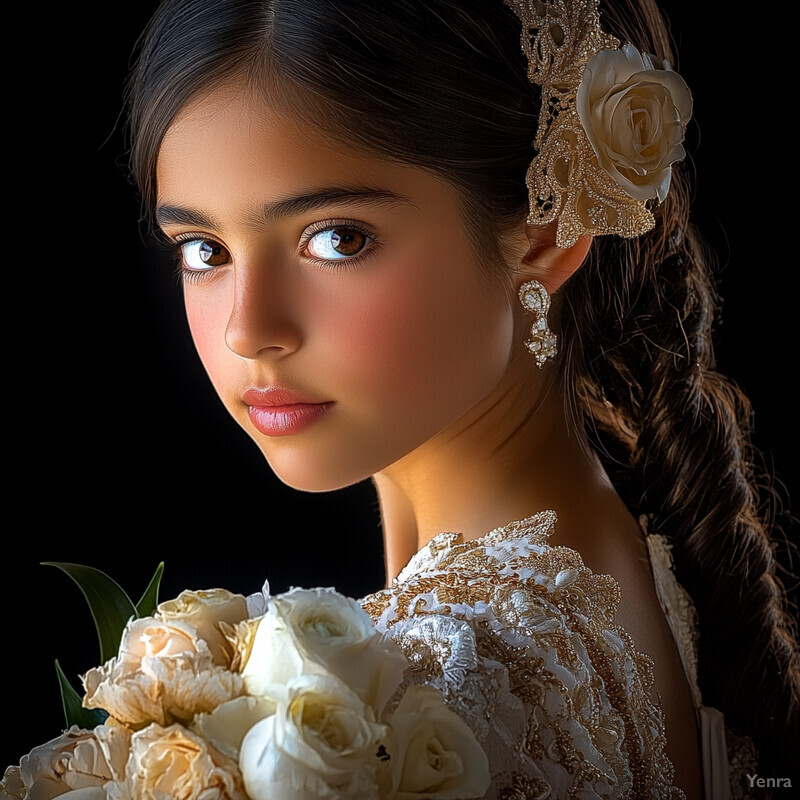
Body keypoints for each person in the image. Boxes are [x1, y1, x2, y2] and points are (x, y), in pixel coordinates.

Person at [4, 0, 796, 797]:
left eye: (336, 238)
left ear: (548, 231)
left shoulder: (449, 695)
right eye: (205, 250)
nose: (249, 329)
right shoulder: (617, 555)